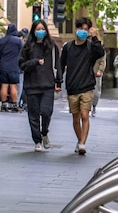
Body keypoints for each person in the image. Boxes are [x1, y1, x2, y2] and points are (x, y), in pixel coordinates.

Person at [60, 17, 104, 155]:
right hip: (73, 87)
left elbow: (101, 53)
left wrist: (95, 36)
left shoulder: (91, 47)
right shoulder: (68, 47)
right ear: (76, 29)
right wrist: (57, 81)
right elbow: (61, 65)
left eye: (86, 29)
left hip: (87, 86)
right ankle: (80, 141)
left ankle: (82, 144)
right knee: (75, 118)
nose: (83, 32)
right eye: (81, 29)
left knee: (85, 115)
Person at [18, 20, 61, 152]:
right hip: (32, 85)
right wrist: (35, 62)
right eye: (38, 29)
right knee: (33, 115)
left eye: (42, 28)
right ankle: (37, 140)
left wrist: (58, 81)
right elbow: (21, 65)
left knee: (46, 112)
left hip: (47, 84)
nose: (40, 31)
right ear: (33, 31)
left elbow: (57, 64)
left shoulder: (51, 46)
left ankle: (44, 132)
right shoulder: (27, 47)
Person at [0, 23, 23, 112]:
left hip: (3, 66)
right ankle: (15, 105)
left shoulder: (1, 40)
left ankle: (3, 105)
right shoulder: (18, 41)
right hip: (14, 66)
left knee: (4, 85)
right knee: (13, 86)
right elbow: (22, 52)